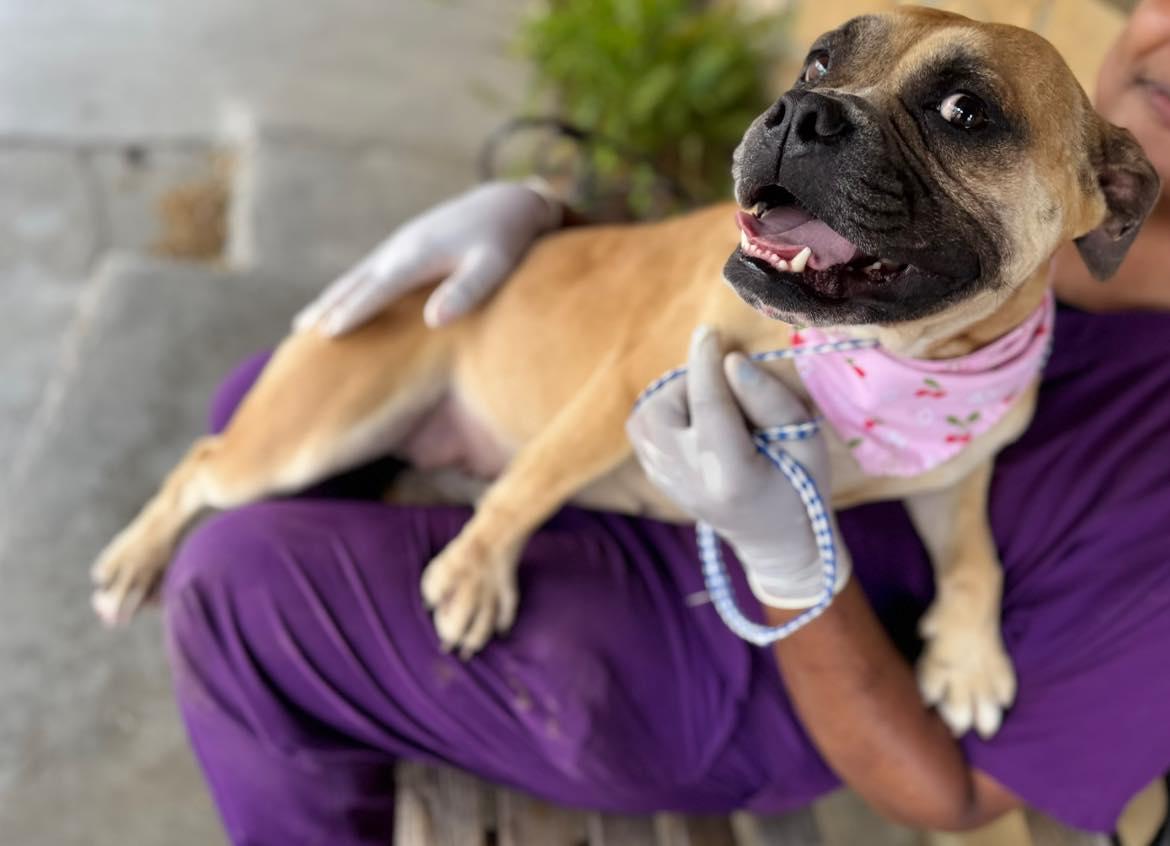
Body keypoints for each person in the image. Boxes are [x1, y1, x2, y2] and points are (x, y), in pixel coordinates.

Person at [164, 3, 1170, 843]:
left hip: (727, 659)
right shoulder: (989, 284)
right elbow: (692, 287)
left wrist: (789, 563)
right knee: (264, 406)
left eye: (963, 112)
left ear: (1101, 197)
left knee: (241, 587)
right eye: (826, 74)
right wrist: (545, 220)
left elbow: (945, 795)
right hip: (627, 463)